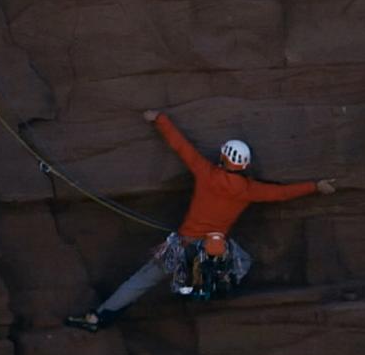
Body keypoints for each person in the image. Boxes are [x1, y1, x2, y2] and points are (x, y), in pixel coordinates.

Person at [64, 110, 337, 332]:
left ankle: (97, 318)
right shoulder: (250, 190)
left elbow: (183, 149)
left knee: (141, 280)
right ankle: (207, 291)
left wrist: (159, 119)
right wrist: (315, 186)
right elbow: (282, 193)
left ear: (223, 157)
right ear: (245, 164)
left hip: (181, 246)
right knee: (241, 261)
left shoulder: (207, 174)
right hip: (209, 254)